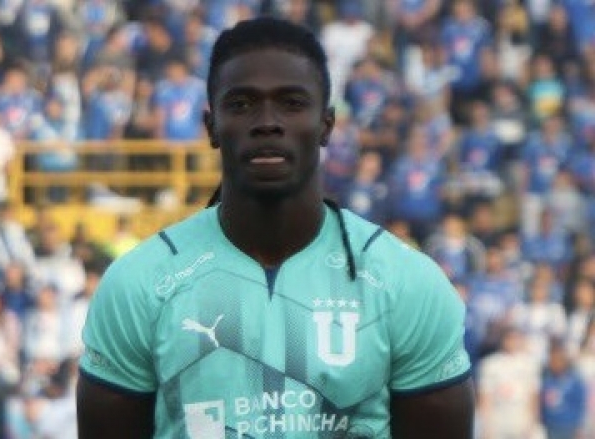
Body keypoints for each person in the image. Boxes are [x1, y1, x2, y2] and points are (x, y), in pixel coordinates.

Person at [77, 17, 475, 438]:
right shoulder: (139, 284)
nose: (267, 121)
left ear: (327, 125)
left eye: (291, 103)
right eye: (241, 104)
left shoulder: (406, 283)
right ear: (211, 127)